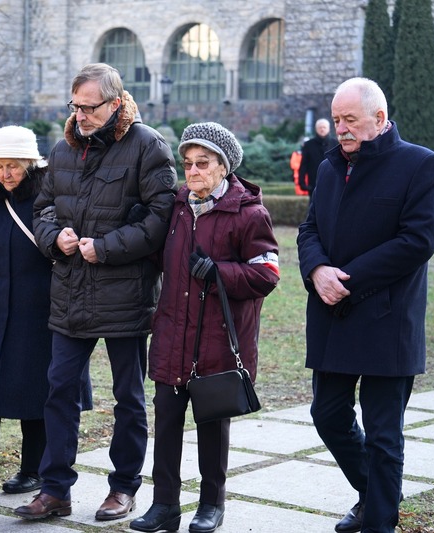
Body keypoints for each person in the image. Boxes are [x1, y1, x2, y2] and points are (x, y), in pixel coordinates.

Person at [14, 63, 178, 521]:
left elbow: (160, 218)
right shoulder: (63, 148)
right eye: (75, 106)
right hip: (70, 292)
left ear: (116, 103)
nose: (81, 115)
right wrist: (54, 238)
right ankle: (55, 489)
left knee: (128, 396)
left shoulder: (148, 146)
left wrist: (104, 249)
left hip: (125, 294)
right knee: (59, 390)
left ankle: (123, 488)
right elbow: (43, 208)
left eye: (89, 107)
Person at [297, 77, 434, 533]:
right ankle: (376, 494)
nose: (340, 129)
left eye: (350, 121)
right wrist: (317, 270)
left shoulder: (422, 165)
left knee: (384, 436)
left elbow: (417, 241)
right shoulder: (328, 167)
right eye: (337, 120)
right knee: (327, 416)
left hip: (387, 318)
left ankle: (379, 521)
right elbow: (309, 231)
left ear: (379, 119)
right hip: (332, 315)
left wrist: (348, 280)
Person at [131, 123, 279, 533]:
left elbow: (267, 274)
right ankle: (164, 505)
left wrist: (221, 273)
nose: (192, 171)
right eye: (187, 164)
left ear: (223, 167)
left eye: (202, 163)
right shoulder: (177, 207)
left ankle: (211, 505)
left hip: (216, 343)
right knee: (167, 425)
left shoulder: (249, 213)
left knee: (213, 429)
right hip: (173, 336)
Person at [0, 126, 92, 494]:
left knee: (36, 391)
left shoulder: (50, 196)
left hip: (40, 310)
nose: (5, 173)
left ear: (31, 163)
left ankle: (34, 470)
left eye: (13, 165)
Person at [300, 118, 338, 199]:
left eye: (324, 127)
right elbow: (303, 165)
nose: (322, 129)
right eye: (320, 127)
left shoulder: (336, 143)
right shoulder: (308, 145)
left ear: (328, 128)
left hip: (333, 183)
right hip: (314, 183)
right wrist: (302, 183)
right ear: (316, 129)